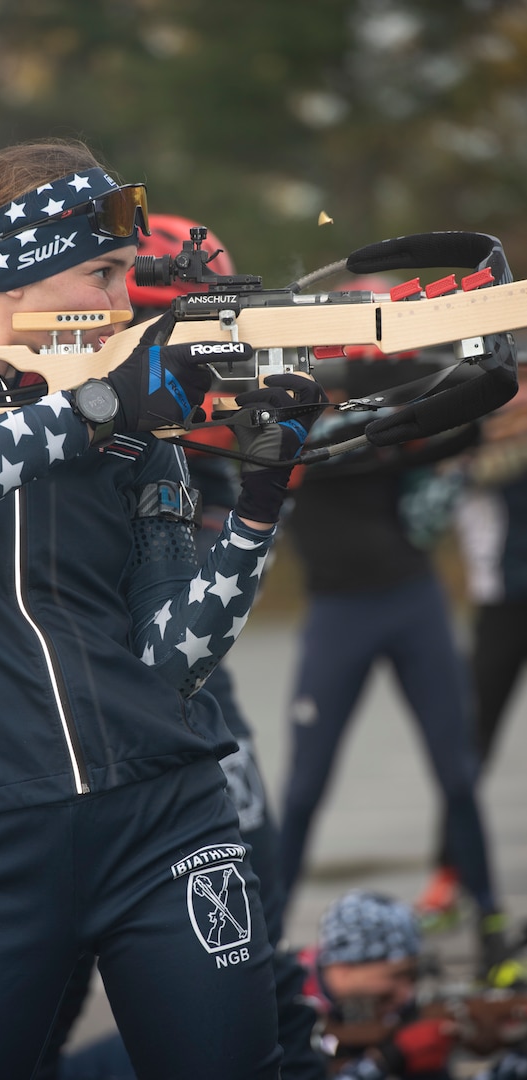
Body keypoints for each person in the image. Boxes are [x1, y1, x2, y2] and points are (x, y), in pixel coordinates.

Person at [0, 138, 327, 1079]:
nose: (126, 303)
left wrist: (257, 506)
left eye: (129, 275)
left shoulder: (133, 414)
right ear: (22, 269)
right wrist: (94, 407)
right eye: (104, 272)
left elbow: (173, 660)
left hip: (169, 826)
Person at [43, 214, 324, 1080]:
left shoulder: (193, 401)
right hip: (61, 715)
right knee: (38, 996)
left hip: (184, 676)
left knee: (248, 930)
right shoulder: (44, 392)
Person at [276, 305, 511, 983]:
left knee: (456, 773)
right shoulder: (296, 436)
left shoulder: (379, 430)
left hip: (411, 604)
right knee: (304, 788)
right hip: (337, 616)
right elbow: (329, 441)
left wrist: (471, 411)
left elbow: (439, 469)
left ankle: (490, 918)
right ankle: (264, 934)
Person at [414, 383, 527, 957]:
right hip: (503, 602)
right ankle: (448, 874)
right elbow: (463, 477)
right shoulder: (478, 433)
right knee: (470, 740)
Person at [303, 890, 527, 1080]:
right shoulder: (287, 1009)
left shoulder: (394, 1011)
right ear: (343, 968)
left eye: (412, 976)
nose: (406, 993)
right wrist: (388, 1059)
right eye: (395, 975)